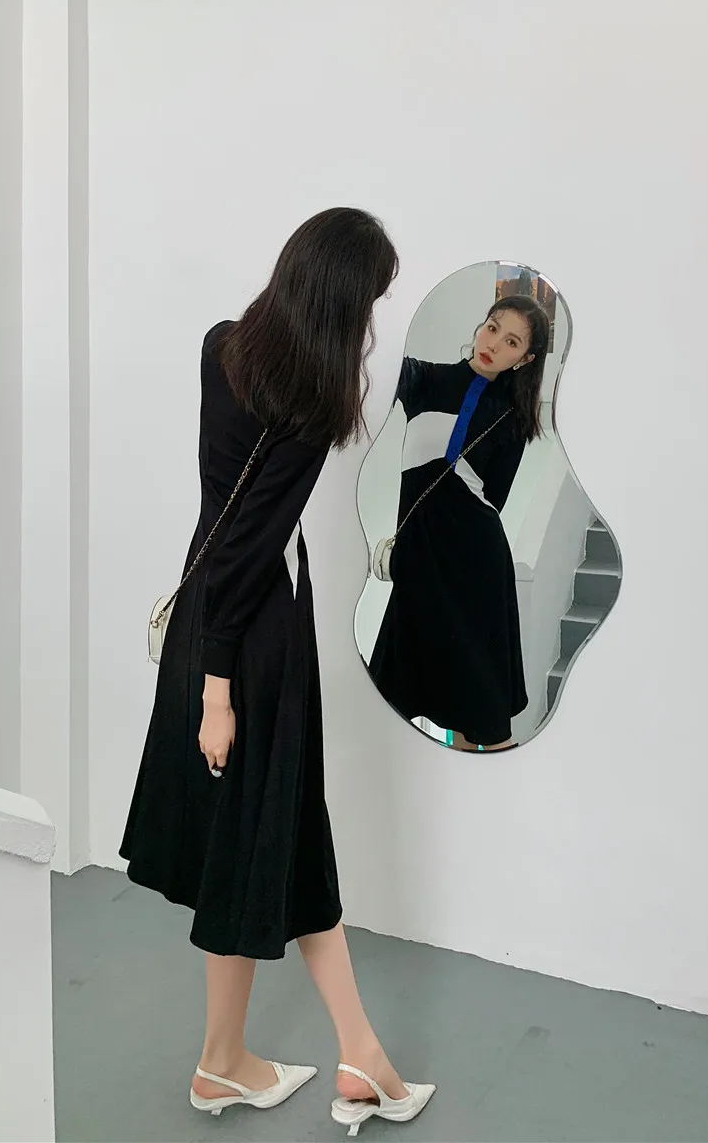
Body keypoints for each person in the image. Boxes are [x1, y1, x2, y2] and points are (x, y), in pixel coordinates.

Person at [120, 208, 435, 1135]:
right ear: (342, 301)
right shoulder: (311, 405)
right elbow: (251, 545)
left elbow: (221, 512)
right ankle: (292, 1061)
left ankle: (292, 1059)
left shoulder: (220, 346)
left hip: (204, 614)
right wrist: (219, 692)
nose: (371, 322)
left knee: (267, 836)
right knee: (270, 833)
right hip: (249, 641)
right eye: (370, 301)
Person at [369, 294, 550, 752]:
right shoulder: (424, 379)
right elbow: (369, 358)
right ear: (480, 327)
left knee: (477, 706)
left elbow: (493, 500)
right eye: (493, 327)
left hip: (475, 565)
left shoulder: (512, 416)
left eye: (511, 342)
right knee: (389, 696)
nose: (494, 343)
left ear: (524, 360)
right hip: (420, 558)